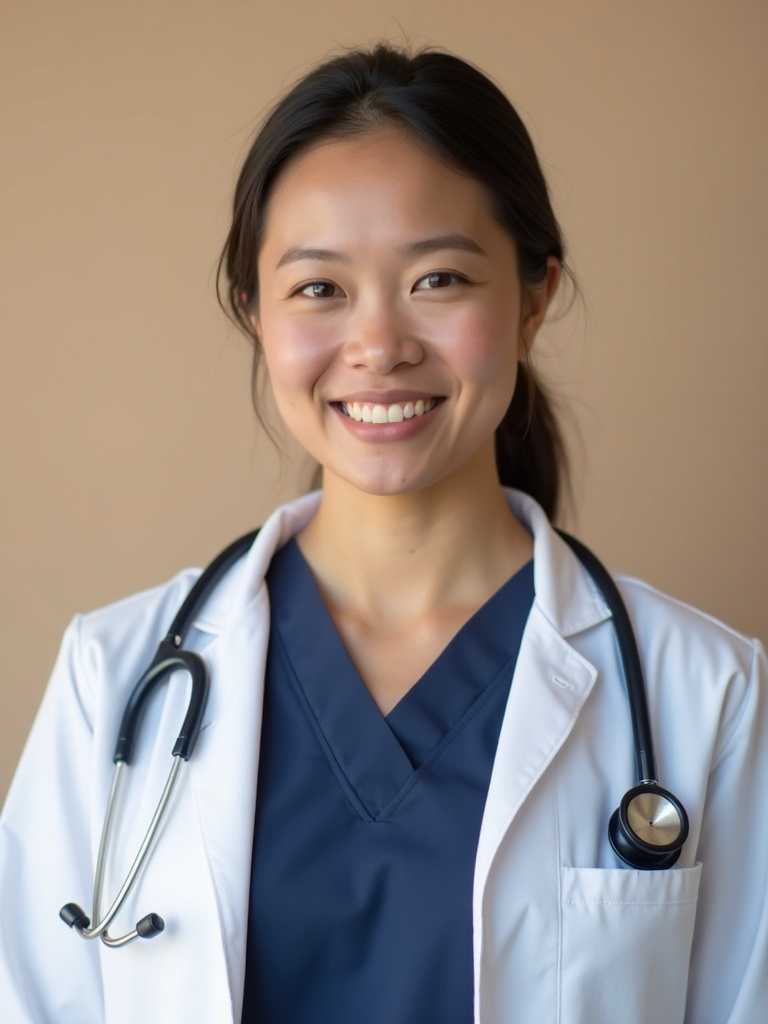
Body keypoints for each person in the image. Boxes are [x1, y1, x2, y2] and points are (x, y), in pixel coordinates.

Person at [0, 43, 765, 1024]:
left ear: (533, 300)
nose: (379, 346)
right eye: (319, 288)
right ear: (256, 315)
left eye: (438, 279)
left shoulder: (706, 693)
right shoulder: (110, 677)